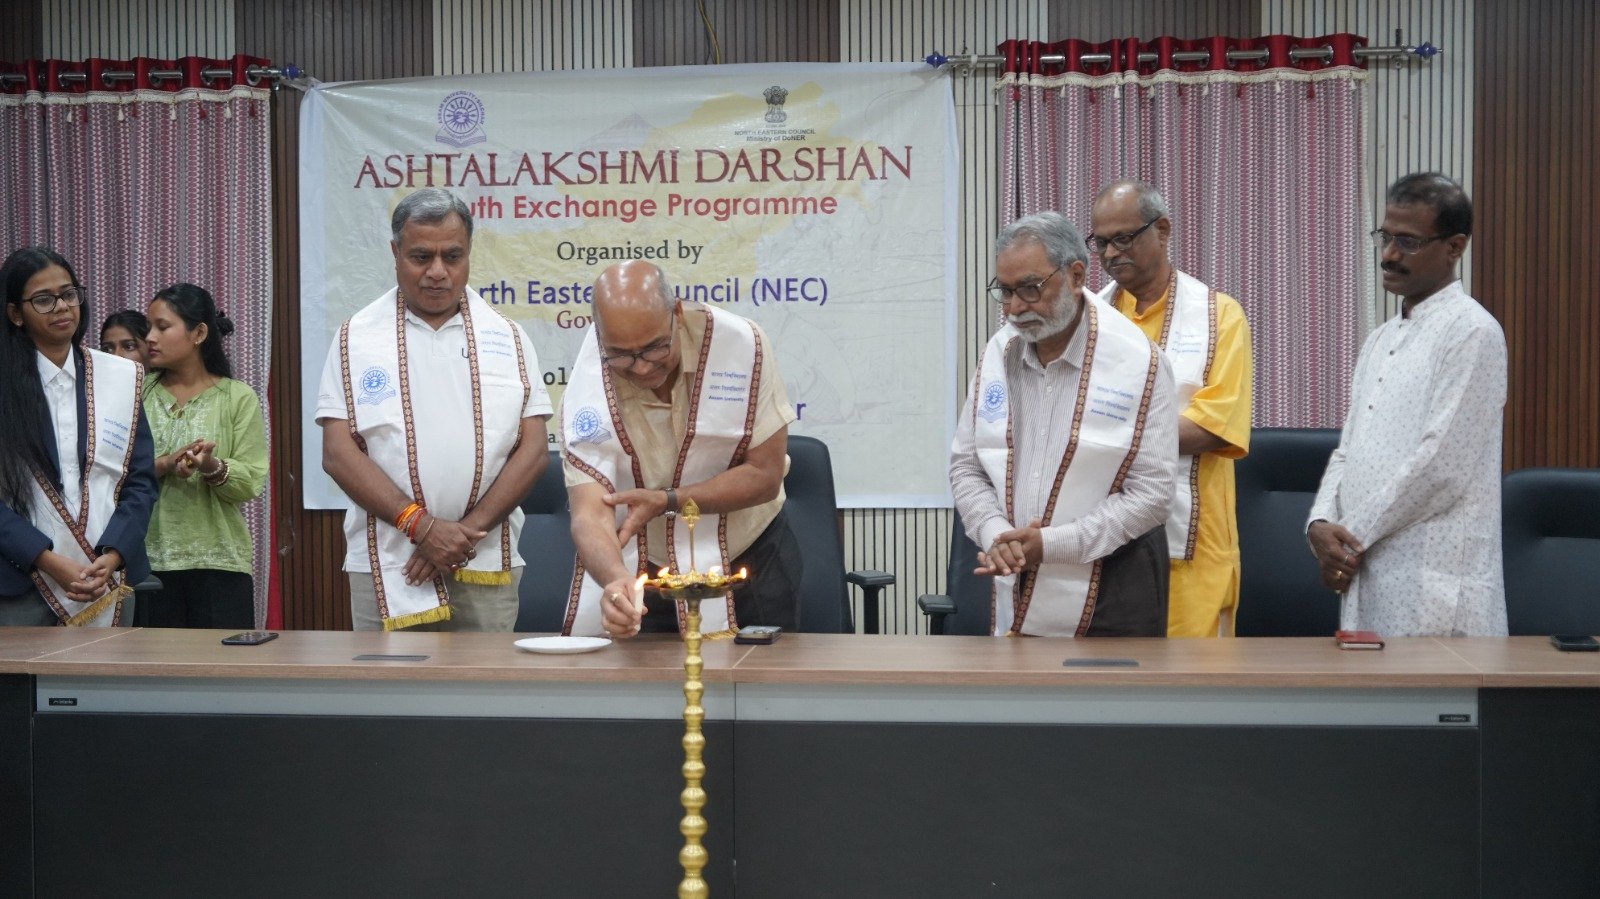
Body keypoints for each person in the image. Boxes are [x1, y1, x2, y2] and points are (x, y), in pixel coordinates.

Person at [317, 188, 552, 631]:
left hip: (482, 557)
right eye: (421, 257)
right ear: (395, 253)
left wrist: (461, 536)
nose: (438, 272)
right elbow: (338, 453)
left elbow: (534, 450)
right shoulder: (356, 338)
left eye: (453, 256)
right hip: (387, 561)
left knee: (483, 675)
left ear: (469, 253)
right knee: (389, 677)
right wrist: (421, 527)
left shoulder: (509, 338)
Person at [950, 212, 1177, 637]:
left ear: (1075, 276)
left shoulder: (1139, 362)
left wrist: (1051, 545)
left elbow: (1152, 494)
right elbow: (967, 466)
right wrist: (998, 535)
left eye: (1030, 288)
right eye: (1005, 291)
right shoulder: (999, 354)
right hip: (1013, 577)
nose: (1015, 308)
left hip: (1112, 587)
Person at [1308, 173, 1508, 636]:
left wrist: (1347, 538)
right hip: (1366, 567)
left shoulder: (1472, 332)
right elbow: (1348, 449)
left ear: (1454, 247)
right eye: (1385, 237)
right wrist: (1320, 523)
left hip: (1432, 577)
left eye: (1408, 242)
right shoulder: (1379, 340)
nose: (1389, 255)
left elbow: (1442, 468)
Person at [562, 260, 799, 639]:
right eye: (622, 355)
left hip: (749, 559)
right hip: (646, 569)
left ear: (676, 313)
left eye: (654, 348)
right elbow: (589, 513)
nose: (641, 368)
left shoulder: (742, 348)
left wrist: (667, 500)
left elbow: (765, 476)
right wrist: (616, 581)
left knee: (762, 676)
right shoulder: (589, 384)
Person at [1090, 181, 1254, 637]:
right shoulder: (1088, 318)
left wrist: (1108, 434)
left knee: (1191, 679)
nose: (1111, 253)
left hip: (1192, 549)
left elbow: (1215, 428)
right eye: (1101, 242)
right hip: (1100, 542)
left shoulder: (1219, 317)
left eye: (1124, 238)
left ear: (1162, 231)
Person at [0, 247, 157, 626]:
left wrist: (114, 553)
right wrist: (45, 558)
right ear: (16, 314)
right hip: (20, 580)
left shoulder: (117, 378)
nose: (62, 307)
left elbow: (140, 481)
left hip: (109, 576)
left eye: (69, 294)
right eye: (43, 299)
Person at [139, 284, 268, 628]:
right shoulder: (138, 393)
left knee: (220, 661)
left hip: (220, 566)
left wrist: (211, 466)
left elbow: (251, 481)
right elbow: (114, 471)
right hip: (147, 563)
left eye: (162, 327)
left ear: (198, 333)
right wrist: (165, 464)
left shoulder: (237, 397)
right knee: (153, 661)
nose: (149, 337)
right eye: (148, 327)